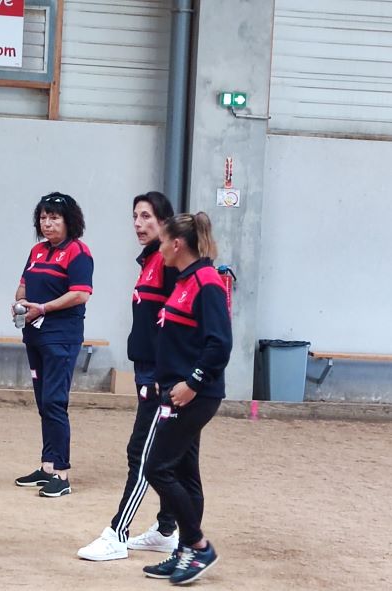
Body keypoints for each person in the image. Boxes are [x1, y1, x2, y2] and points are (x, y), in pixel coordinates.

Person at [77, 192, 179, 561]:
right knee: (173, 455)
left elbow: (175, 326)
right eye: (134, 216)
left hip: (160, 375)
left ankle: (117, 533)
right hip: (147, 370)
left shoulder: (168, 262)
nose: (138, 223)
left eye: (146, 216)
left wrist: (164, 373)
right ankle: (167, 528)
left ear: (164, 221)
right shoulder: (150, 260)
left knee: (143, 452)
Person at [142, 212, 232, 585]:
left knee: (157, 467)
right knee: (183, 471)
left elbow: (220, 343)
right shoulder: (185, 280)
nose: (158, 247)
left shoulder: (208, 282)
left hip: (195, 395)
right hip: (177, 392)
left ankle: (198, 544)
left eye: (162, 241)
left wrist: (193, 382)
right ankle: (185, 553)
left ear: (177, 244)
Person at [14, 192, 93, 498]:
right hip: (34, 335)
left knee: (55, 403)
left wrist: (43, 308)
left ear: (69, 221)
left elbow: (80, 294)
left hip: (61, 337)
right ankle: (47, 467)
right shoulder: (36, 251)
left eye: (54, 218)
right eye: (43, 218)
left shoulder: (78, 253)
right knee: (44, 403)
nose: (47, 224)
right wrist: (20, 303)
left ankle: (61, 474)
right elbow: (23, 284)